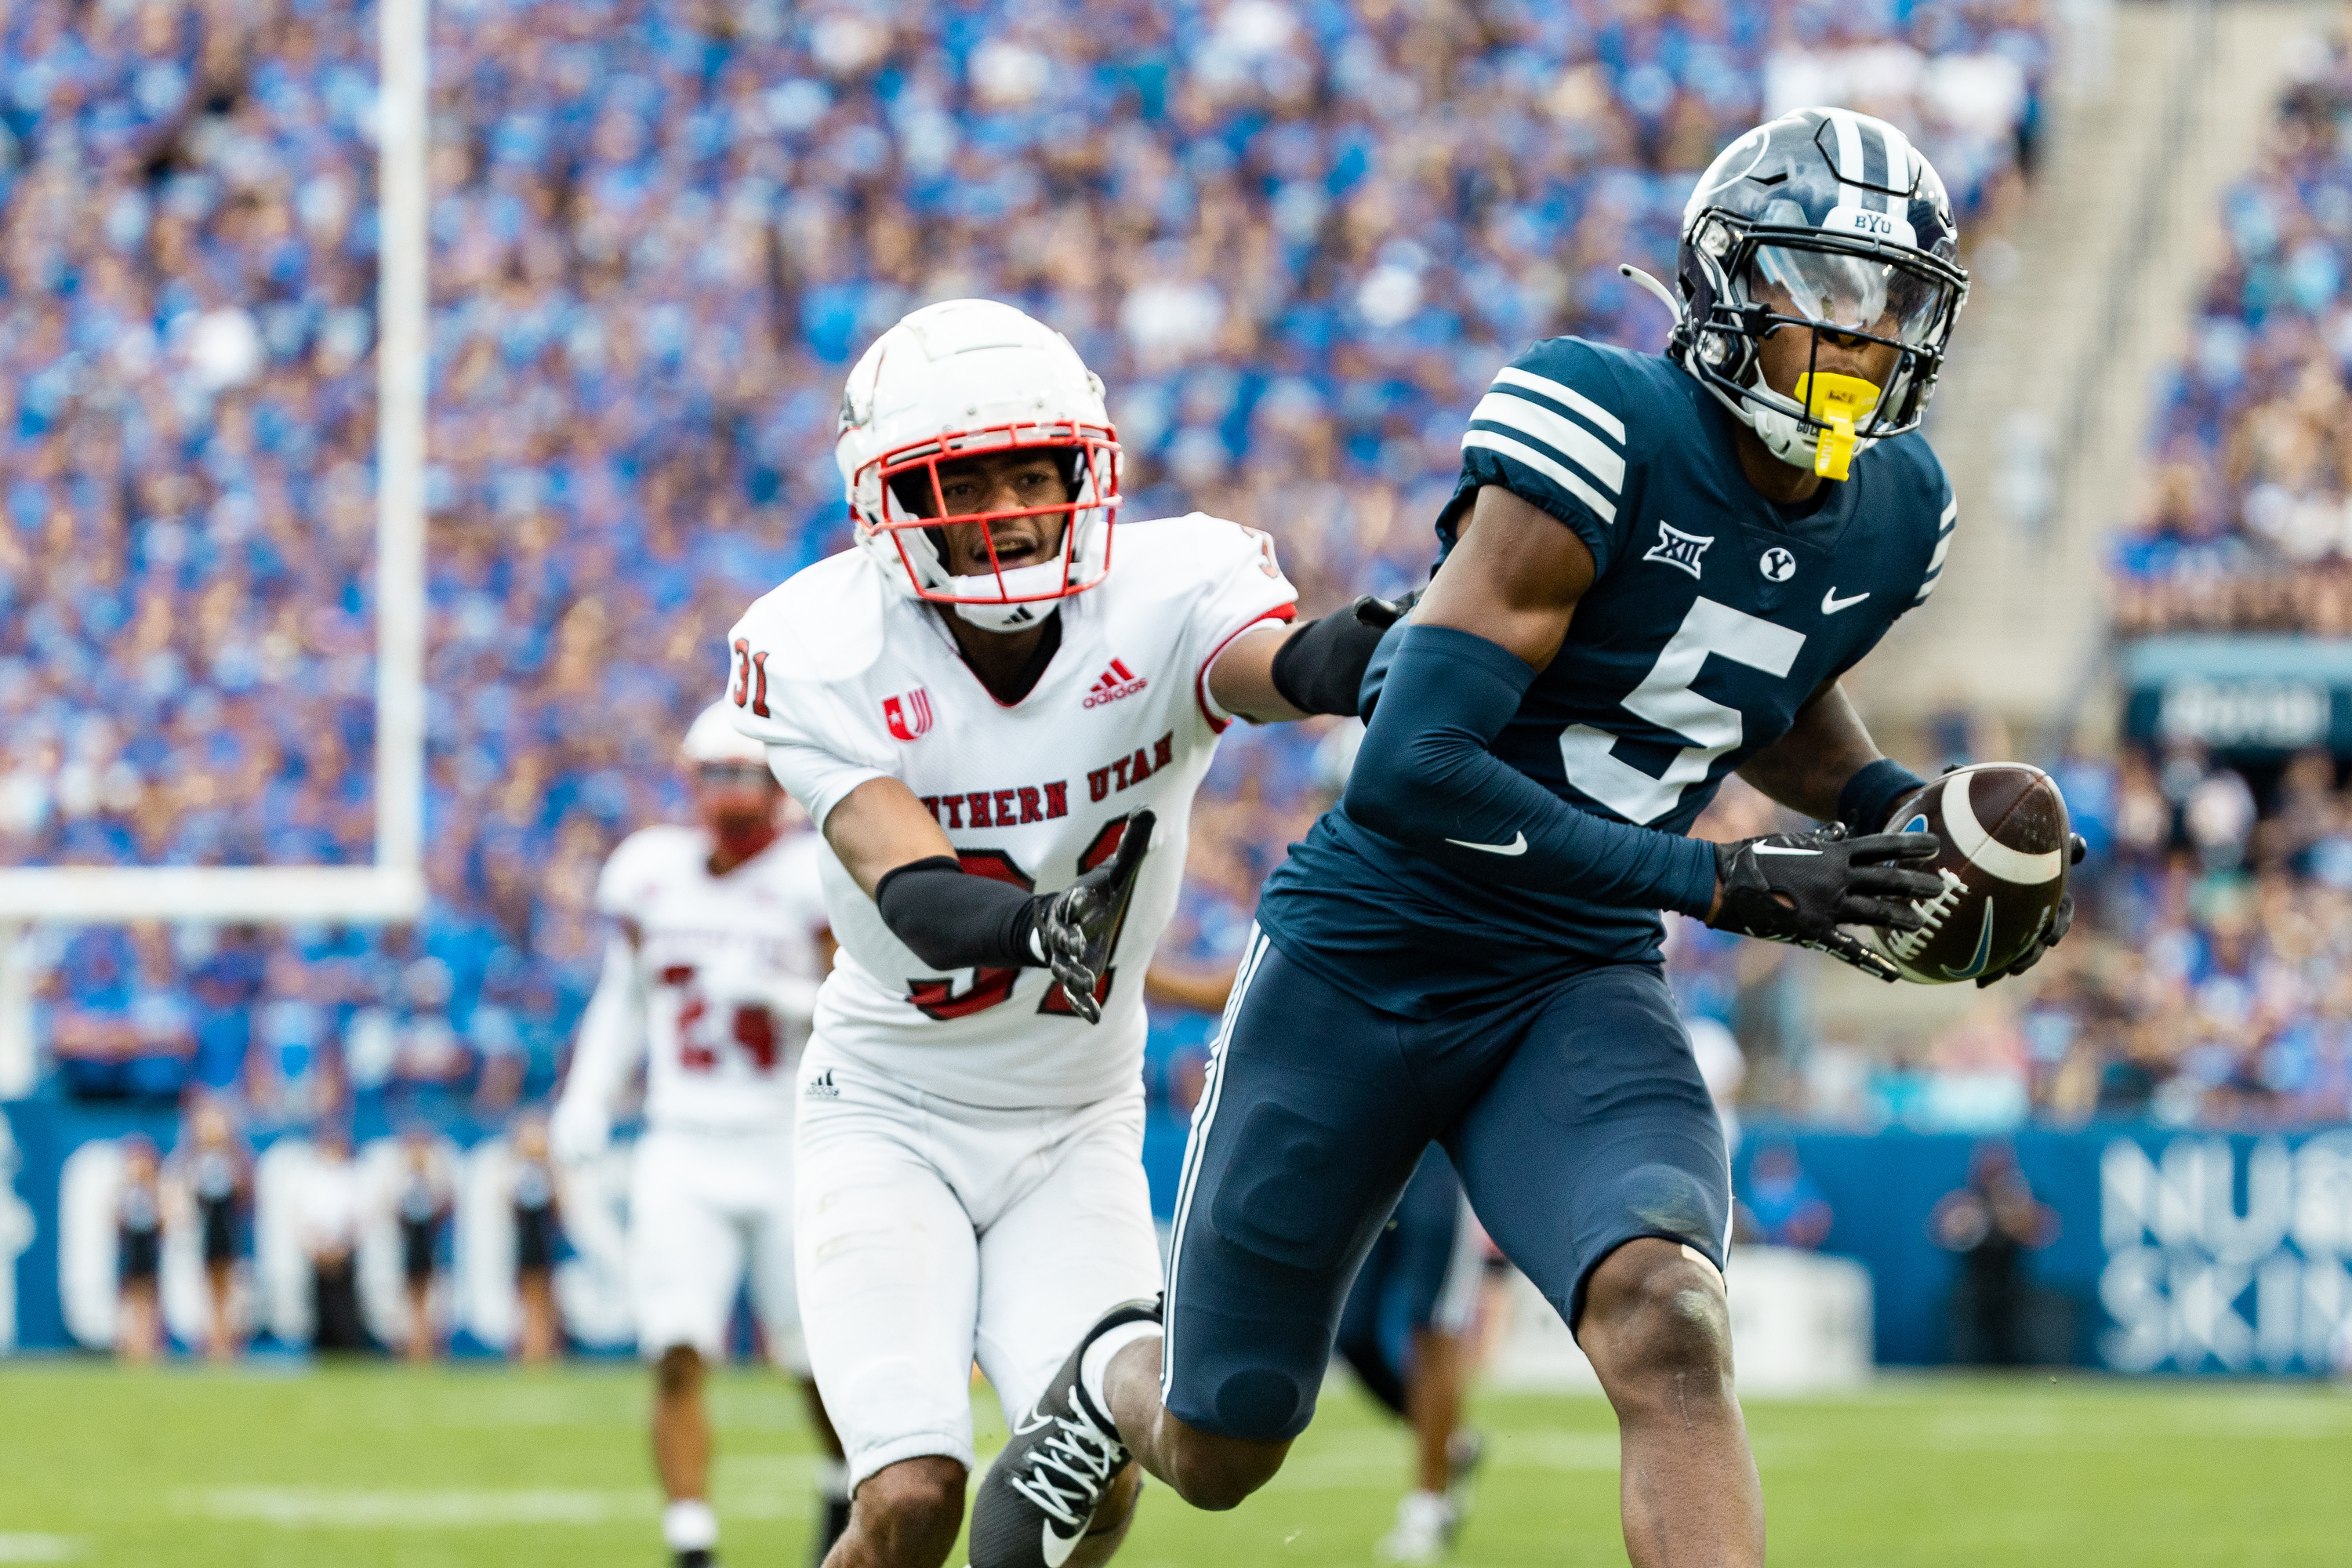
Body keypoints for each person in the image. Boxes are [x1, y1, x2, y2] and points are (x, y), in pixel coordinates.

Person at [971, 110, 2078, 1568]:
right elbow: (1412, 770)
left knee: (1669, 1319)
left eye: (1892, 310)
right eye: (1827, 296)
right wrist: (1727, 881)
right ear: (1729, 291)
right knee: (1223, 1440)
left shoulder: (1895, 514)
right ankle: (1115, 1379)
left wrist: (1889, 818)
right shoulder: (1596, 423)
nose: (1861, 344)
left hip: (1574, 978)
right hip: (1366, 958)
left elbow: (1759, 682)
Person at [721, 297, 1398, 1568]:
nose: (1012, 509)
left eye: (1035, 471)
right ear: (888, 504)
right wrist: (1037, 925)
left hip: (1075, 1124)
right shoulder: (823, 643)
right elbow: (908, 884)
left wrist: (1399, 644)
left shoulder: (1168, 591)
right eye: (966, 479)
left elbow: (1286, 667)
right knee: (912, 1497)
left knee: (1096, 1486)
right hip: (891, 1112)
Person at [551, 704, 846, 1568]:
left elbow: (869, 1002)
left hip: (787, 1139)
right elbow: (625, 995)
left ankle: (839, 1485)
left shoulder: (811, 874)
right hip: (682, 1138)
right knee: (675, 1342)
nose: (729, 792)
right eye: (714, 773)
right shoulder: (651, 871)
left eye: (744, 772)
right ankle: (692, 1540)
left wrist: (781, 997)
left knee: (810, 1356)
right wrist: (588, 1093)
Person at [1335, 1147, 1486, 1566]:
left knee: (1434, 1324)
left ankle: (1428, 1505)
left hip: (1442, 1162)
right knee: (1351, 1332)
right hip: (1374, 1161)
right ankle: (1450, 1441)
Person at [1929, 1141, 2058, 1366]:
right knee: (1968, 1326)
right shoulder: (1967, 1199)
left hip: (2011, 1283)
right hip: (1974, 1284)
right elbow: (1942, 1231)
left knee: (2016, 1333)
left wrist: (2011, 1215)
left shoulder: (2020, 1199)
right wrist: (1976, 1219)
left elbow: (2042, 1233)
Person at [173, 1100, 252, 1361]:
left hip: (226, 1228)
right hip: (204, 1230)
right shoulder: (192, 1158)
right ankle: (210, 1338)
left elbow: (244, 1194)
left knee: (229, 1285)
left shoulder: (234, 1158)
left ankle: (228, 1339)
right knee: (205, 1285)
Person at [300, 1127, 370, 1356]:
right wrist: (316, 1243)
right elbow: (304, 1214)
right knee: (321, 1302)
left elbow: (359, 1215)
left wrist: (345, 1243)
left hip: (344, 1249)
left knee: (345, 1303)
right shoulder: (312, 1177)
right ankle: (322, 1347)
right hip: (319, 1248)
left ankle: (348, 1347)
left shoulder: (352, 1176)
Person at [394, 1129, 452, 1365]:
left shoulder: (434, 1180)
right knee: (411, 1296)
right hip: (411, 1244)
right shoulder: (404, 1180)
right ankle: (412, 1347)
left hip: (430, 1245)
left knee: (431, 1297)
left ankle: (429, 1346)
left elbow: (443, 1208)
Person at [510, 1115, 563, 1365]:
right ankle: (533, 1349)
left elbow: (560, 1206)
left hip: (541, 1240)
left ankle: (543, 1349)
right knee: (530, 1297)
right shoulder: (522, 1172)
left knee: (543, 1296)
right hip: (530, 1240)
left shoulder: (544, 1172)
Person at [116, 1136, 165, 1363]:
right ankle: (130, 1344)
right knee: (130, 1297)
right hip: (131, 1252)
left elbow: (164, 1221)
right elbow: (116, 1219)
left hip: (148, 1251)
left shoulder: (154, 1192)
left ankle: (148, 1344)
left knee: (149, 1297)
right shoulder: (127, 1193)